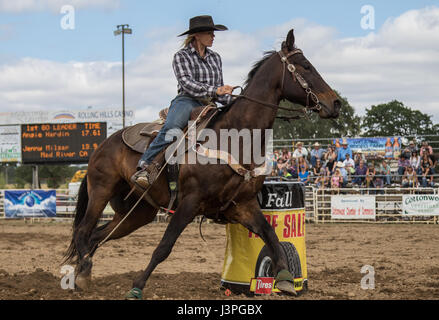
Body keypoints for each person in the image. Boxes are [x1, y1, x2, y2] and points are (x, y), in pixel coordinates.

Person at [132, 15, 234, 189]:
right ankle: (145, 165)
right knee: (172, 127)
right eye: (210, 33)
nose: (213, 36)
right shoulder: (181, 56)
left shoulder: (216, 57)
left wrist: (230, 100)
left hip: (210, 103)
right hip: (188, 100)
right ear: (197, 35)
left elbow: (219, 86)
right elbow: (187, 83)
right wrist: (215, 90)